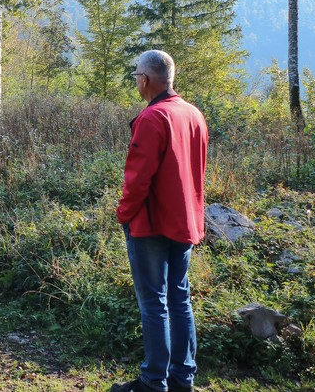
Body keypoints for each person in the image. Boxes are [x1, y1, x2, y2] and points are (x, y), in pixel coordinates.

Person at [109, 50, 208, 392]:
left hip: (151, 224)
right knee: (179, 298)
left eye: (136, 75)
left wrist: (123, 213)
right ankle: (183, 378)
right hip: (185, 220)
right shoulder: (193, 114)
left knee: (154, 302)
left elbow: (138, 178)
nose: (136, 81)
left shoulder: (153, 118)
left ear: (146, 79)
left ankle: (153, 381)